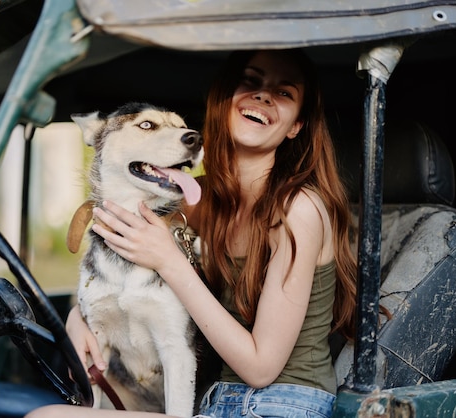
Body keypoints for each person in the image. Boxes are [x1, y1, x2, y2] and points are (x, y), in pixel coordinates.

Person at [26, 48, 357, 418]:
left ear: (296, 124)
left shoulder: (299, 209)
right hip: (218, 402)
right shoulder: (198, 199)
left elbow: (261, 368)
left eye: (284, 93)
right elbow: (112, 259)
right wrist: (78, 318)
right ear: (224, 100)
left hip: (284, 405)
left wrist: (171, 262)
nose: (264, 94)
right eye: (251, 81)